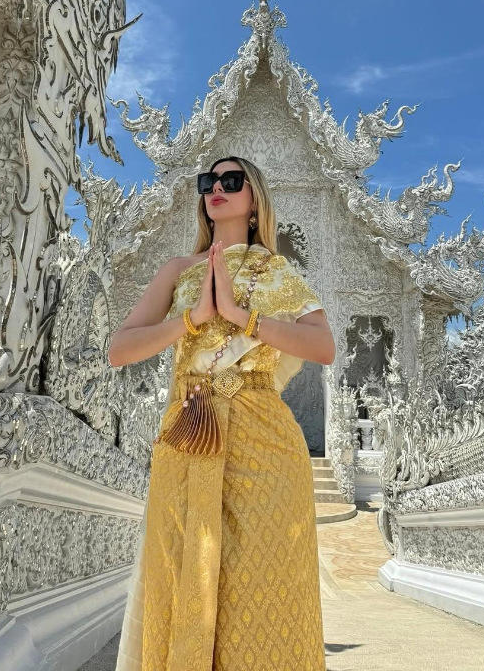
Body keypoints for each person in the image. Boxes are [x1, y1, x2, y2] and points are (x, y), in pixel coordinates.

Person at [110, 155, 335, 670]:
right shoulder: (179, 271)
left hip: (265, 443)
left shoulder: (276, 272)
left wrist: (241, 316)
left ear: (254, 200)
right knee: (180, 570)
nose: (217, 188)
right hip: (189, 433)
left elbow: (323, 347)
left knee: (260, 583)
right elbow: (120, 349)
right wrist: (191, 320)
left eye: (231, 181)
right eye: (208, 182)